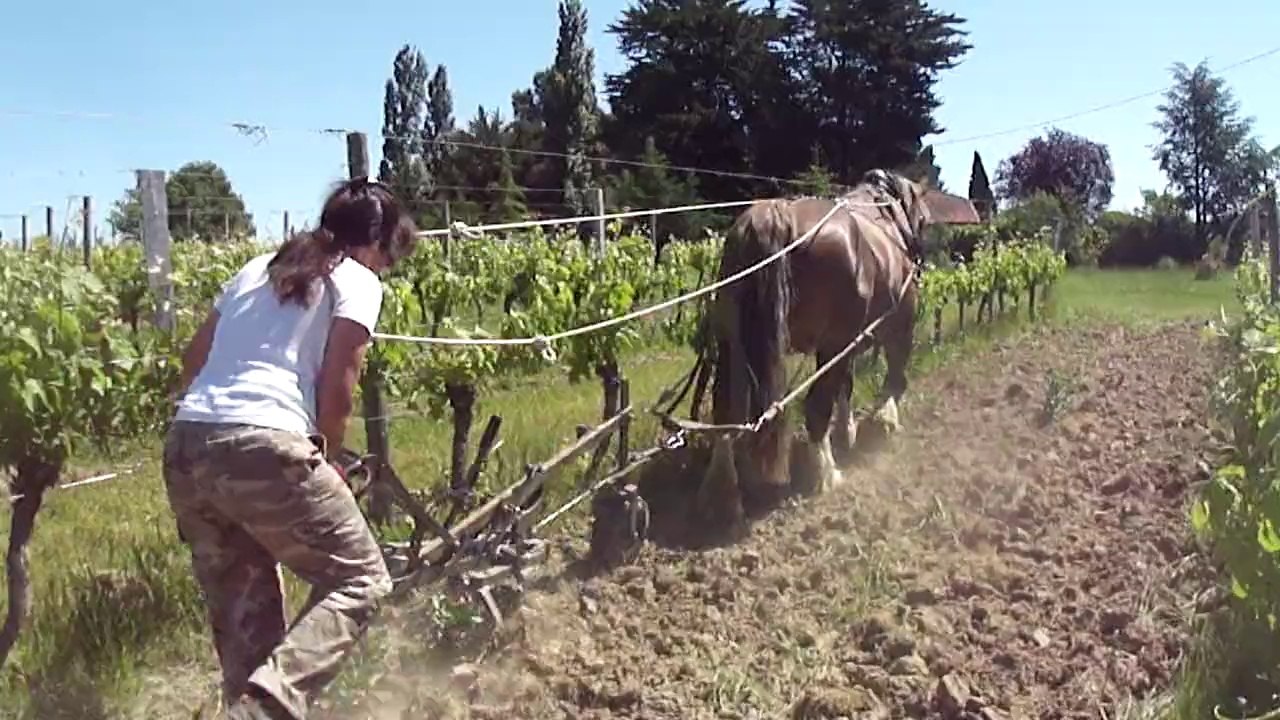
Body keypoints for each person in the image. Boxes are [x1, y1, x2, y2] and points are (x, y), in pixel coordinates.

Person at [162, 177, 418, 719]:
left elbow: (192, 363)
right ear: (378, 244)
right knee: (361, 579)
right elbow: (339, 387)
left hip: (187, 446)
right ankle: (266, 707)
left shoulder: (256, 268)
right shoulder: (359, 279)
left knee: (244, 615)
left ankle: (246, 706)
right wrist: (324, 455)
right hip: (265, 442)